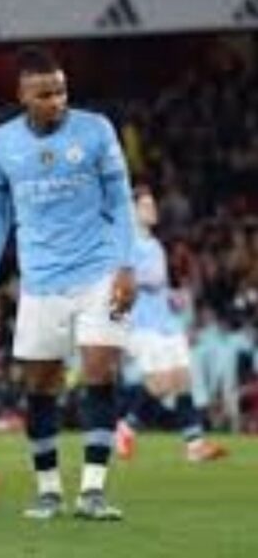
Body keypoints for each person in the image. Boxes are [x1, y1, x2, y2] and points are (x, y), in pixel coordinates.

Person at [0, 46, 137, 521]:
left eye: (61, 90)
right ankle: (48, 491)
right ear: (22, 94)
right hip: (41, 281)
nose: (56, 101)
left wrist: (126, 266)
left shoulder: (96, 129)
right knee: (40, 386)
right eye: (45, 94)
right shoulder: (0, 142)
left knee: (99, 370)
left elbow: (121, 201)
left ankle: (93, 491)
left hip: (98, 271)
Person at [115, 187, 227, 462]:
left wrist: (173, 297)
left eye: (152, 205)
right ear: (131, 211)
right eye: (145, 206)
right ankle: (126, 427)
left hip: (166, 321)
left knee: (183, 379)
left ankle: (194, 445)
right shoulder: (124, 244)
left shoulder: (154, 245)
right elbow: (122, 282)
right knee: (161, 384)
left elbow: (158, 284)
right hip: (142, 324)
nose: (152, 210)